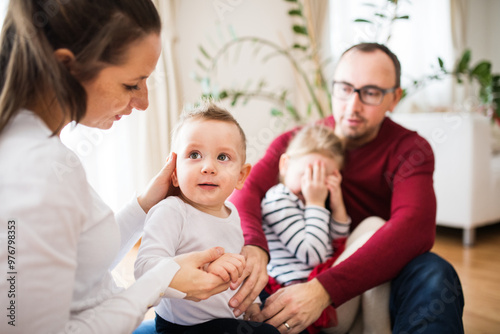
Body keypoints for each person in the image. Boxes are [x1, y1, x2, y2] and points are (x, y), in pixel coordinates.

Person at [0, 1, 241, 333]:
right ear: (66, 68)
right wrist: (157, 281)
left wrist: (143, 206)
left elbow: (83, 272)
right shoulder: (35, 171)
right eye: (132, 84)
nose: (143, 102)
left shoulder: (41, 147)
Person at [228, 43, 465, 334]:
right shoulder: (298, 144)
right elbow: (246, 191)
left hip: (370, 284)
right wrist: (254, 247)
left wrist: (323, 290)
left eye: (371, 93)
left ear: (394, 98)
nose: (353, 106)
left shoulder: (410, 149)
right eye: (344, 88)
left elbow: (415, 226)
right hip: (297, 282)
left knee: (435, 273)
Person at [134, 103, 279, 334]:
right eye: (194, 155)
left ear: (241, 176)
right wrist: (208, 266)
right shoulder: (171, 211)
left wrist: (253, 305)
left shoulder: (232, 213)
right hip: (183, 327)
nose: (208, 167)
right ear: (174, 171)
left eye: (223, 157)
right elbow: (143, 269)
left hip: (226, 319)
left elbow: (238, 271)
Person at [262, 124, 391, 334]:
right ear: (285, 164)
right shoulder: (278, 199)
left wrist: (337, 202)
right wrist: (316, 203)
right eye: (308, 174)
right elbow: (313, 255)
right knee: (377, 246)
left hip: (329, 293)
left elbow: (337, 244)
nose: (313, 186)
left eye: (323, 179)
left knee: (375, 226)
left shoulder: (313, 202)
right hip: (310, 309)